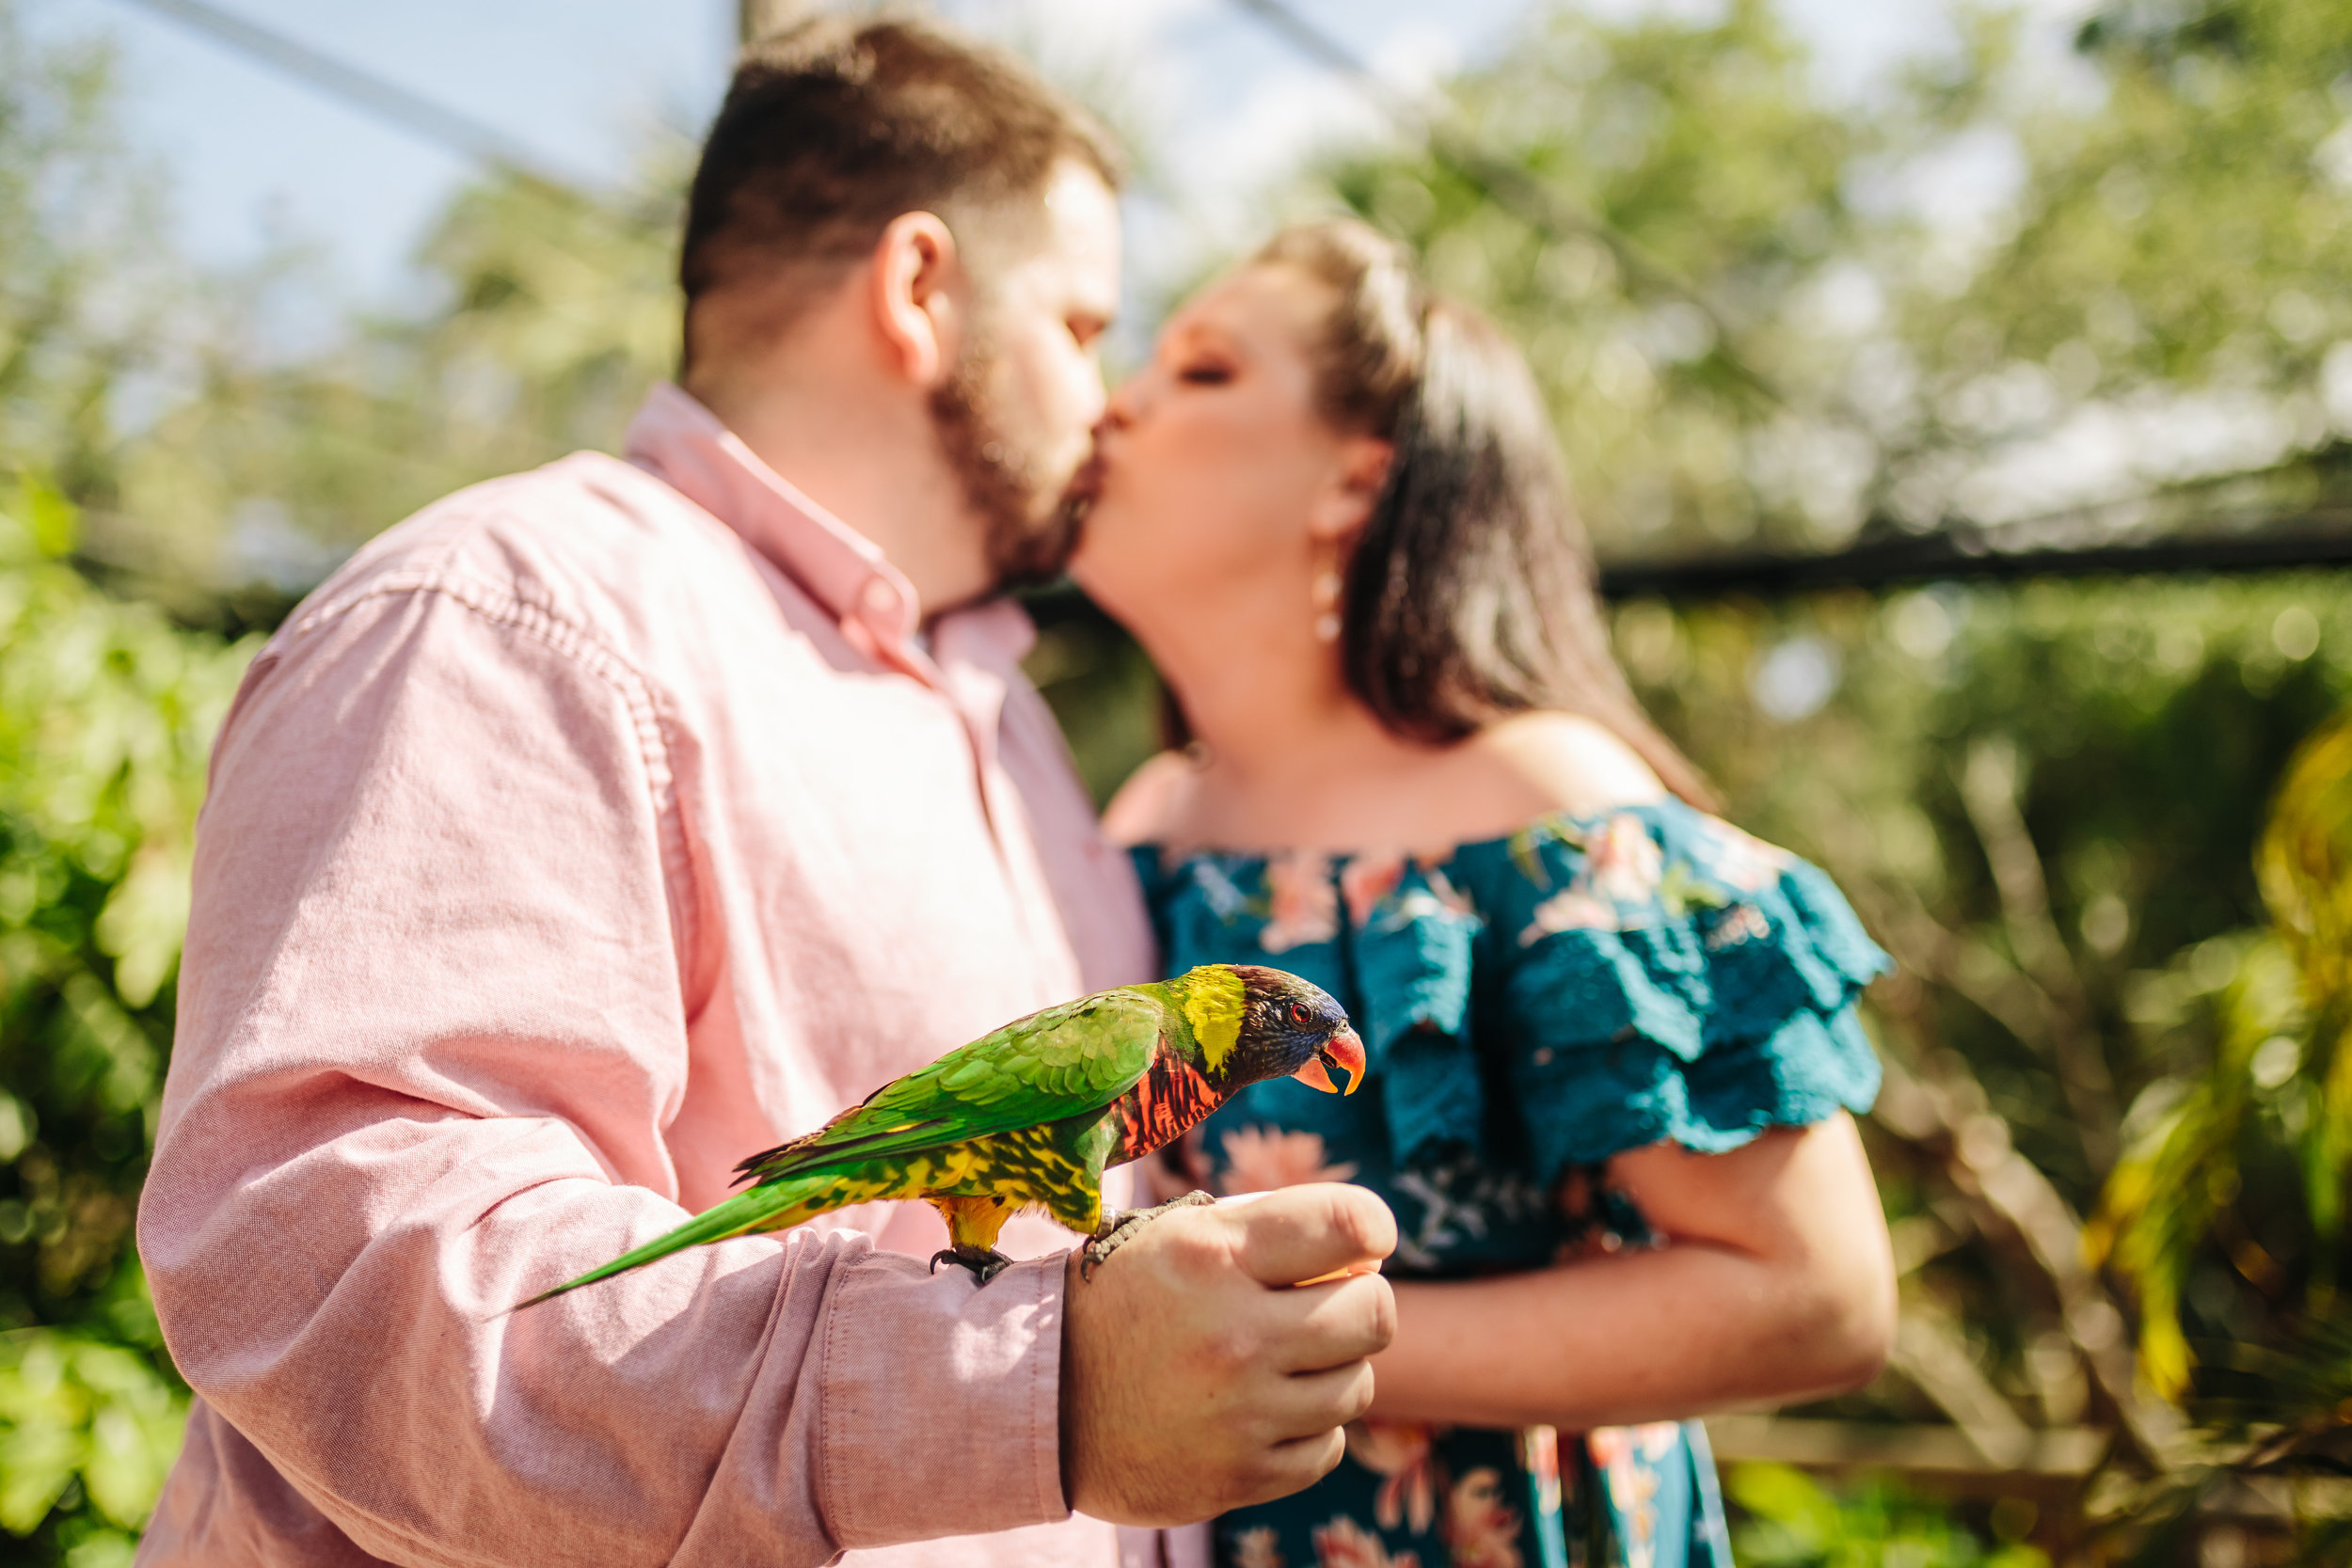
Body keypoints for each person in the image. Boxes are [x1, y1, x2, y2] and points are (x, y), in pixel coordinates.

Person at [133, 23, 1394, 1568]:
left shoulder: (1019, 738)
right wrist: (1033, 1387)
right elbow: (348, 1277)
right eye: (1081, 325)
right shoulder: (510, 624)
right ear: (920, 288)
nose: (1112, 402)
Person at [1073, 220, 1898, 1568]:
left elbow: (1819, 1297)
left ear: (1357, 477)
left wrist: (1278, 1351)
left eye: (1202, 370)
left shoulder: (1547, 810)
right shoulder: (1143, 820)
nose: (1119, 401)